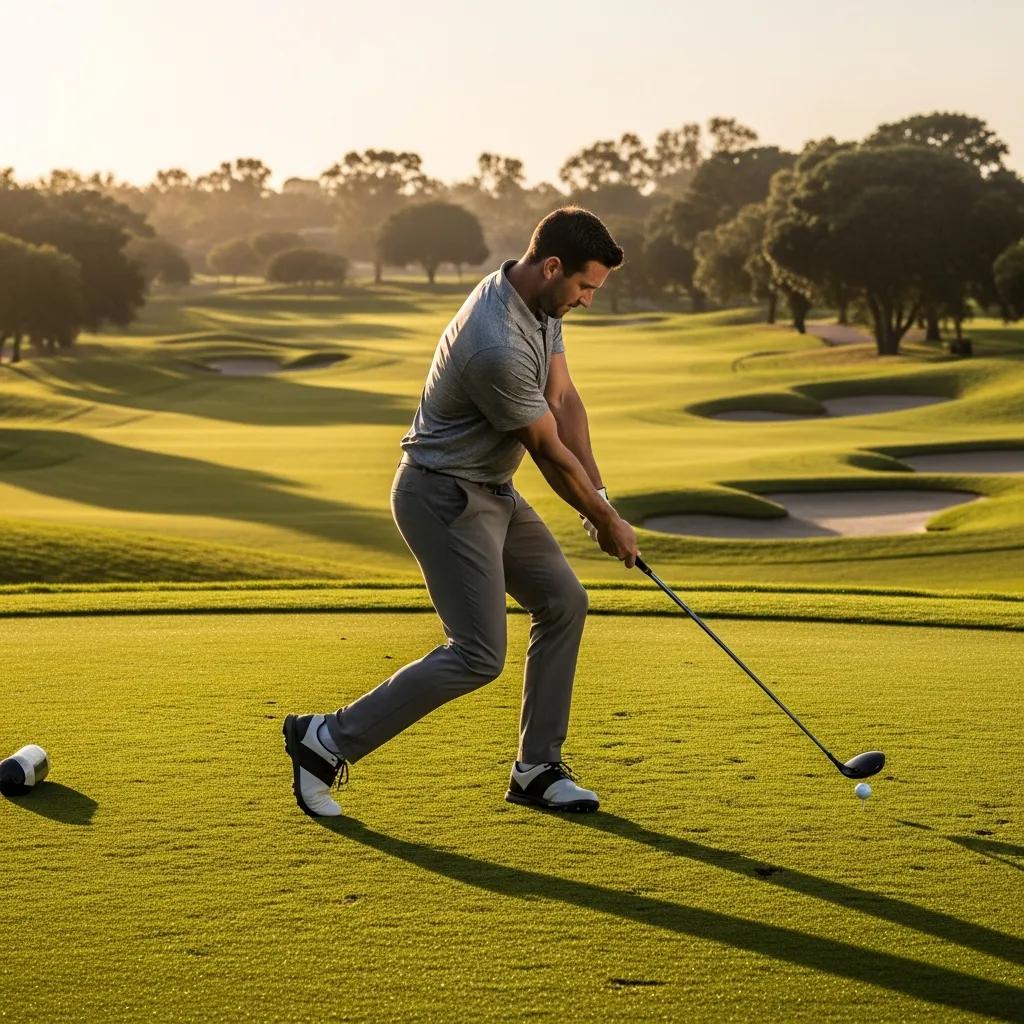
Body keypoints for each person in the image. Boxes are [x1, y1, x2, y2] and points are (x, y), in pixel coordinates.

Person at [283, 207, 640, 818]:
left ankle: (536, 768)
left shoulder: (538, 303)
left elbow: (565, 399)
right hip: (441, 495)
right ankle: (325, 740)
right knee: (478, 654)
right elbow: (549, 451)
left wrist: (600, 499)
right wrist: (606, 524)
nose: (586, 300)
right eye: (584, 287)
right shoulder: (494, 342)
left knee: (563, 602)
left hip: (491, 487)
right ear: (553, 267)